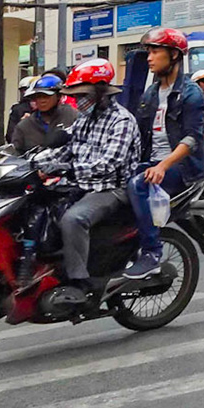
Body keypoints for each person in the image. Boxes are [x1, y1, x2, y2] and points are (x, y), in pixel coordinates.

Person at [52, 61, 142, 306]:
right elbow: (67, 151)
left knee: (73, 219)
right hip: (82, 184)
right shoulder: (84, 119)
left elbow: (108, 163)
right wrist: (33, 163)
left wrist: (67, 168)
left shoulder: (122, 121)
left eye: (84, 95)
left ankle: (80, 283)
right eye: (77, 96)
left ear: (101, 91)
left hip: (112, 188)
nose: (79, 101)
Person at [125, 28, 204, 281]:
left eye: (155, 51)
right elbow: (137, 132)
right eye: (148, 52)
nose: (149, 57)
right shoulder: (150, 94)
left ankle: (151, 253)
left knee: (139, 185)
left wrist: (163, 166)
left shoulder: (191, 93)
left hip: (182, 168)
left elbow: (192, 139)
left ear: (173, 55)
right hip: (152, 162)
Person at [9, 75, 76, 152]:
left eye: (46, 96)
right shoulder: (24, 126)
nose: (42, 101)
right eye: (38, 97)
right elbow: (15, 153)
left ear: (58, 96)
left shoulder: (72, 115)